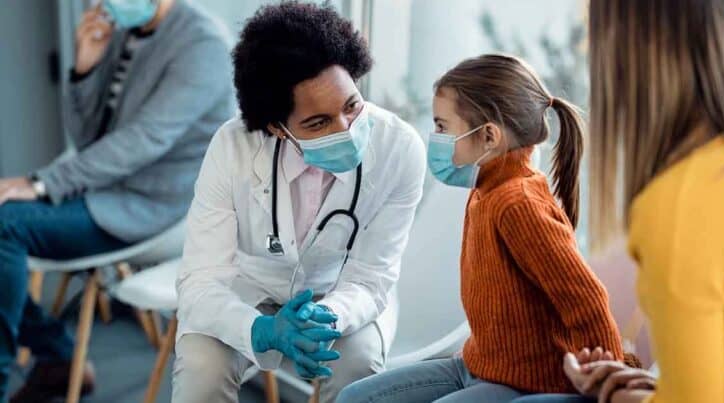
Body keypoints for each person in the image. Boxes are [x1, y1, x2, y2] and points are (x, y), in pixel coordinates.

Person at [171, 2, 426, 403]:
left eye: (351, 106)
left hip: (343, 291)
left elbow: (371, 276)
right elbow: (200, 281)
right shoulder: (233, 147)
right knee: (202, 371)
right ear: (277, 128)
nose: (346, 130)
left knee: (357, 369)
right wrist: (262, 330)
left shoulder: (400, 147)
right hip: (249, 288)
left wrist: (328, 318)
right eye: (318, 123)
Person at [336, 54, 626, 403]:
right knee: (354, 398)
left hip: (527, 381)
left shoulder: (518, 204)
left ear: (488, 135)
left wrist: (608, 382)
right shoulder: (483, 190)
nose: (434, 137)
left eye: (442, 127)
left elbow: (585, 298)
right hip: (477, 366)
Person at [0, 0, 234, 401]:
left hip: (154, 209)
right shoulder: (126, 34)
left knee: (7, 226)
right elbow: (89, 138)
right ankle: (56, 354)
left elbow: (143, 140)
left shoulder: (203, 44)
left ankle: (50, 357)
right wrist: (85, 68)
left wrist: (41, 183)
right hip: (106, 190)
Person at [561, 0, 724, 402]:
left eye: (590, 36)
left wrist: (619, 397)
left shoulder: (680, 200)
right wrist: (656, 386)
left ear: (619, 50)